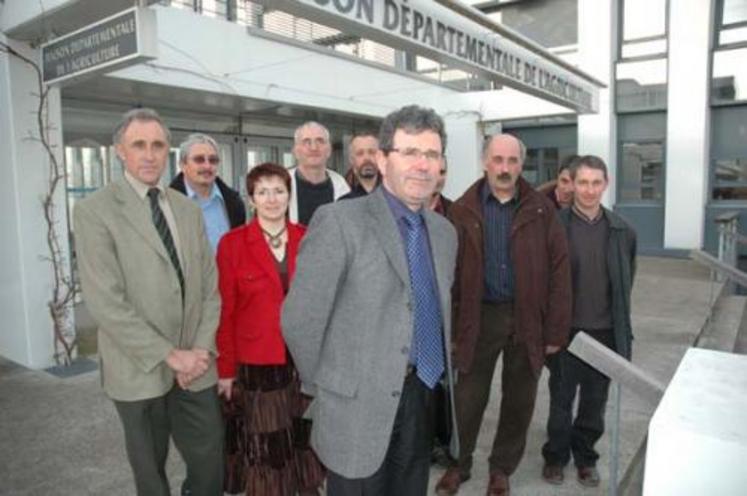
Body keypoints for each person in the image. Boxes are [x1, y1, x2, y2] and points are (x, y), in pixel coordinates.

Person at [282, 105, 458, 496]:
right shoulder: (340, 222)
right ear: (381, 159)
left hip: (422, 393)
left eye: (431, 155)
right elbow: (301, 320)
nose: (422, 165)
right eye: (409, 152)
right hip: (356, 404)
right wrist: (330, 387)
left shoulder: (445, 233)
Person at [74, 108, 223, 496]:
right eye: (138, 145)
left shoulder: (187, 209)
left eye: (157, 145)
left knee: (211, 464)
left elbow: (209, 285)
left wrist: (201, 350)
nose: (149, 154)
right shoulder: (95, 211)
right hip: (138, 368)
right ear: (120, 150)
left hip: (196, 366)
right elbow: (106, 302)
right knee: (151, 477)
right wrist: (171, 355)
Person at [436, 133, 571, 496]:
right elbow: (447, 273)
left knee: (520, 399)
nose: (505, 168)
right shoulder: (462, 210)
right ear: (485, 162)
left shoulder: (541, 210)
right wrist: (450, 327)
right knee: (468, 398)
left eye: (512, 161)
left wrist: (556, 331)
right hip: (478, 318)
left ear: (521, 165)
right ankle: (458, 465)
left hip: (528, 317)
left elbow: (560, 270)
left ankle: (501, 470)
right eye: (498, 160)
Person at [215, 162, 324, 496]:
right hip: (259, 363)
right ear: (251, 199)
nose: (271, 198)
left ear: (289, 195)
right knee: (266, 446)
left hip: (303, 361)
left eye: (279, 190)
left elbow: (321, 302)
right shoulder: (232, 244)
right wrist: (226, 370)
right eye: (262, 191)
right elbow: (226, 311)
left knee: (304, 436)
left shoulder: (308, 238)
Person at [541, 155, 637, 488]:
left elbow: (627, 283)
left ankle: (585, 458)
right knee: (560, 402)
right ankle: (555, 456)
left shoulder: (622, 231)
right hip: (566, 333)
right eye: (582, 182)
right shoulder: (554, 226)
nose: (589, 190)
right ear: (571, 183)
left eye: (596, 183)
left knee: (595, 404)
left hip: (605, 333)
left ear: (606, 184)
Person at [170, 133, 246, 251]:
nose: (207, 166)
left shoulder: (234, 203)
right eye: (199, 160)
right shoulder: (167, 205)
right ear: (182, 165)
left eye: (213, 160)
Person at [289, 121, 350, 224]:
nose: (314, 148)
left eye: (320, 141)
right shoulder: (282, 183)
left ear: (329, 150)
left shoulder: (342, 186)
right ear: (296, 151)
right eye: (306, 142)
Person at [339, 131, 380, 200]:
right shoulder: (342, 197)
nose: (367, 158)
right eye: (360, 153)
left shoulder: (396, 193)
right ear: (351, 160)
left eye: (372, 152)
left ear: (381, 156)